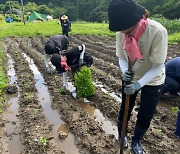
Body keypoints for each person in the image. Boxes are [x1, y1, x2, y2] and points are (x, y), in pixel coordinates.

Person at [108, 0, 168, 154]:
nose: (122, 33)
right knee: (125, 110)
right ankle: (123, 135)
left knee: (146, 114)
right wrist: (124, 72)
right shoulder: (121, 32)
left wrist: (138, 84)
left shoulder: (157, 32)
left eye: (125, 30)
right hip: (131, 76)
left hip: (153, 78)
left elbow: (157, 66)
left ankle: (136, 140)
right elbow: (122, 57)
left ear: (135, 21)